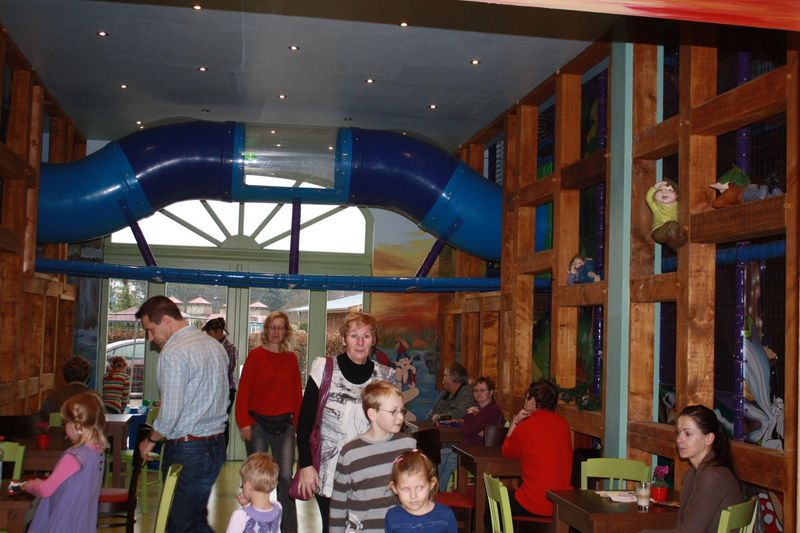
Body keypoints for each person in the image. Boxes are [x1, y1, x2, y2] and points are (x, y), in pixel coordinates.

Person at [296, 311, 397, 533]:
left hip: (372, 473)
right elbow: (305, 421)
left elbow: (393, 427)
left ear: (373, 340)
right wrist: (305, 465)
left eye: (366, 336)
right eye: (354, 336)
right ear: (344, 339)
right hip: (330, 472)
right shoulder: (324, 368)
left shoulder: (386, 376)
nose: (360, 342)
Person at [135, 295, 228, 533]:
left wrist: (151, 440)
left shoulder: (173, 353)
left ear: (167, 320)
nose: (150, 338)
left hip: (188, 451)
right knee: (195, 520)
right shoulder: (216, 347)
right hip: (216, 447)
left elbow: (170, 414)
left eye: (151, 330)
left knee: (178, 524)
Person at [235, 311, 302, 533]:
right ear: (266, 330)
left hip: (285, 426)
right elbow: (243, 392)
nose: (275, 332)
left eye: (280, 327)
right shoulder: (255, 356)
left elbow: (296, 396)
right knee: (256, 478)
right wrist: (244, 422)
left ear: (286, 331)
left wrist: (299, 427)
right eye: (272, 327)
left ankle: (289, 529)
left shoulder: (291, 359)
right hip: (257, 424)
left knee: (286, 478)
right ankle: (253, 525)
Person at [330, 380, 416, 532]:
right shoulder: (350, 453)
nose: (401, 417)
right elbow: (338, 503)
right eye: (394, 412)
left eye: (402, 411)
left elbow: (419, 491)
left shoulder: (408, 446)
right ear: (373, 414)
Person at [643, 404, 742, 533]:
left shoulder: (712, 477)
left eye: (687, 434)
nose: (679, 440)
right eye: (678, 433)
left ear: (709, 438)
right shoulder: (697, 472)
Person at [24, 391, 107, 533]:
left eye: (65, 423)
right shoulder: (98, 452)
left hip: (62, 524)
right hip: (83, 524)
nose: (64, 428)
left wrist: (29, 485)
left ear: (76, 425)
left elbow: (45, 490)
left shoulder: (73, 457)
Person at [501, 379, 572, 520]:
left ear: (532, 401)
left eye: (526, 399)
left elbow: (507, 452)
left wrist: (515, 422)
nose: (524, 403)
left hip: (534, 502)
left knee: (493, 504)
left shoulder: (526, 426)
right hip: (560, 504)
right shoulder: (563, 424)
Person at [427, 362, 476, 490]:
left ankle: (436, 493)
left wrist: (439, 417)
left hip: (456, 444)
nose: (443, 380)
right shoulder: (445, 393)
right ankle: (436, 493)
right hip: (441, 442)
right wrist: (437, 417)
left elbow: (457, 415)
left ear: (454, 377)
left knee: (437, 463)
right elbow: (431, 414)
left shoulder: (467, 392)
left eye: (445, 376)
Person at [385, 450, 458, 533]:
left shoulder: (445, 515)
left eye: (419, 487)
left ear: (431, 484)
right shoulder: (392, 517)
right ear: (394, 488)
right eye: (405, 489)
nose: (413, 495)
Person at [201, 316, 239, 448]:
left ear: (219, 332)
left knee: (222, 421)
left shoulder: (229, 348)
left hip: (226, 390)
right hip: (211, 389)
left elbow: (227, 370)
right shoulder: (209, 347)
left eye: (210, 334)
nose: (208, 337)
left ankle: (222, 450)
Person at [226, 452, 282, 533]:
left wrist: (246, 507)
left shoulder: (239, 516)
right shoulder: (278, 508)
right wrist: (246, 505)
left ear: (248, 486)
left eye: (242, 482)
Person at [460, 375, 504, 447]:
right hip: (468, 450)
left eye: (482, 390)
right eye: (475, 391)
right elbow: (462, 429)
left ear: (491, 392)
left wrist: (470, 414)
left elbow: (469, 430)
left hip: (481, 452)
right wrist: (474, 429)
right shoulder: (478, 409)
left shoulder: (493, 410)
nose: (478, 393)